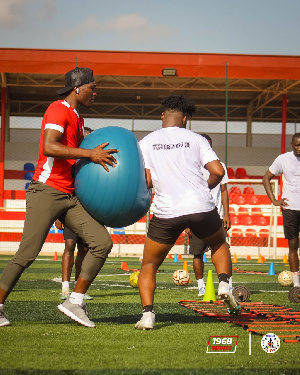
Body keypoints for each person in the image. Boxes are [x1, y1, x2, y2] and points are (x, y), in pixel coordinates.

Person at [0, 67, 118, 328]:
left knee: (101, 242)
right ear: (78, 88)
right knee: (27, 255)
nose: (95, 93)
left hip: (68, 195)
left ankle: (74, 301)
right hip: (46, 191)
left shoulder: (77, 116)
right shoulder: (58, 108)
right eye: (93, 87)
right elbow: (49, 146)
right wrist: (90, 154)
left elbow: (76, 153)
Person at [136, 95, 240, 330]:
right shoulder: (195, 138)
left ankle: (148, 315)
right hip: (201, 205)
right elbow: (218, 170)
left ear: (162, 116)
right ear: (185, 119)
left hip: (167, 210)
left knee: (149, 264)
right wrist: (206, 188)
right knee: (218, 243)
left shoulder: (147, 141)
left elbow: (148, 179)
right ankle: (224, 284)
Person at [186, 133, 232, 297]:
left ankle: (227, 284)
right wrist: (187, 222)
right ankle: (201, 287)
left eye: (209, 145)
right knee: (197, 253)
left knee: (222, 247)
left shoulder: (220, 166)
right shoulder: (190, 168)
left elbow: (224, 191)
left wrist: (227, 214)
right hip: (196, 217)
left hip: (217, 216)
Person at [55, 127, 94, 301]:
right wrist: (58, 214)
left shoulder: (93, 164)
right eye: (85, 138)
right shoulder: (70, 162)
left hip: (89, 212)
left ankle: (79, 289)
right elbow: (62, 188)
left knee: (84, 250)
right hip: (70, 210)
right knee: (69, 246)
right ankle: (65, 288)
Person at [262, 133, 300, 287]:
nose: (299, 148)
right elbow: (266, 178)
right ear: (291, 144)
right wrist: (274, 200)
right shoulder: (283, 159)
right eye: (297, 145)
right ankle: (297, 284)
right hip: (290, 208)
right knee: (293, 244)